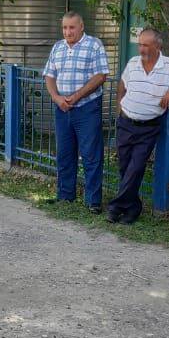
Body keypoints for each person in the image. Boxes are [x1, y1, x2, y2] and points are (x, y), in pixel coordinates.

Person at [108, 27, 169, 225]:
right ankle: (132, 209)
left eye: (146, 45)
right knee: (124, 167)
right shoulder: (133, 63)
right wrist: (119, 110)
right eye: (140, 44)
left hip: (148, 128)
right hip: (126, 123)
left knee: (136, 167)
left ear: (158, 46)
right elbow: (122, 86)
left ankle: (115, 207)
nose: (141, 49)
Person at [43, 11, 110, 213]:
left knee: (91, 155)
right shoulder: (58, 47)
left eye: (72, 27)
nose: (68, 31)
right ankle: (65, 196)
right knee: (64, 154)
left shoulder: (94, 45)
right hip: (62, 108)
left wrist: (77, 96)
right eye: (64, 27)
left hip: (87, 108)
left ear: (81, 27)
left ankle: (93, 201)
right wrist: (57, 98)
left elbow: (101, 76)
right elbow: (49, 75)